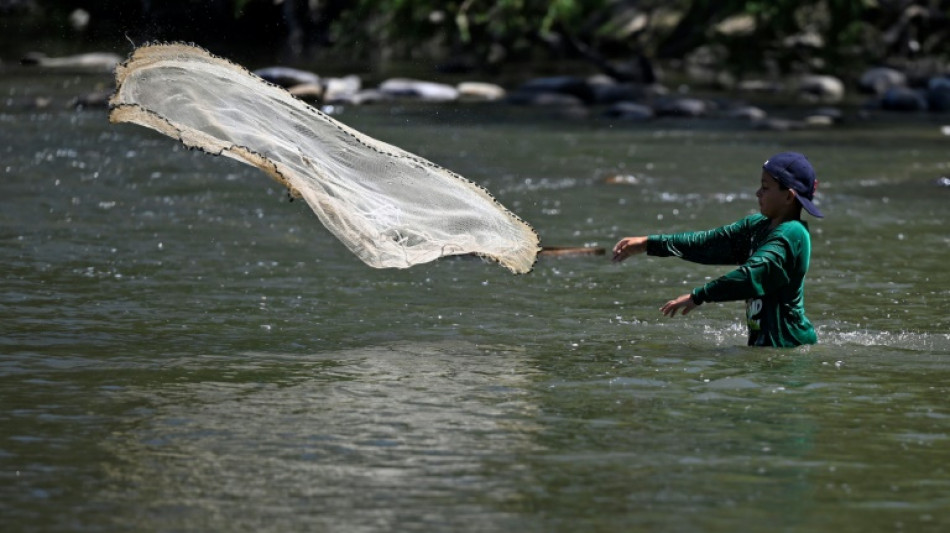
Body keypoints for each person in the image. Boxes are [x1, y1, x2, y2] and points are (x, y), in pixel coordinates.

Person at [612, 152, 823, 347]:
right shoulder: (758, 226)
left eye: (765, 187)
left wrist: (699, 295)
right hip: (767, 349)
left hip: (789, 348)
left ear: (788, 197)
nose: (758, 193)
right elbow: (708, 242)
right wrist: (650, 244)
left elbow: (752, 276)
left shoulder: (792, 234)